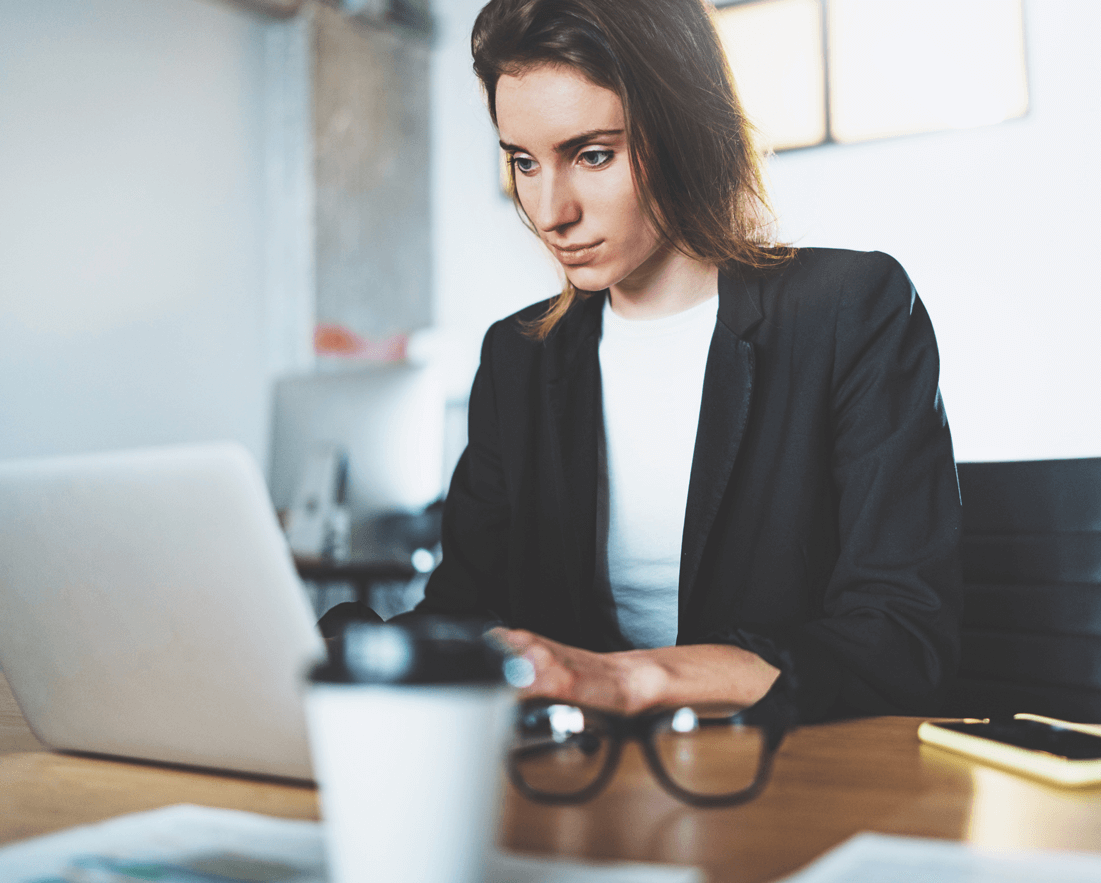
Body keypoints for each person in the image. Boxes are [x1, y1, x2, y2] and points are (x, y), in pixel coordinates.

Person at [358, 0, 962, 724]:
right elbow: (463, 609)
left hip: (787, 780)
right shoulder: (517, 359)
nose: (551, 211)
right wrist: (329, 648)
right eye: (523, 161)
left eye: (592, 154)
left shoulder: (852, 311)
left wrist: (628, 679)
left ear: (683, 130)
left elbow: (900, 644)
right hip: (579, 789)